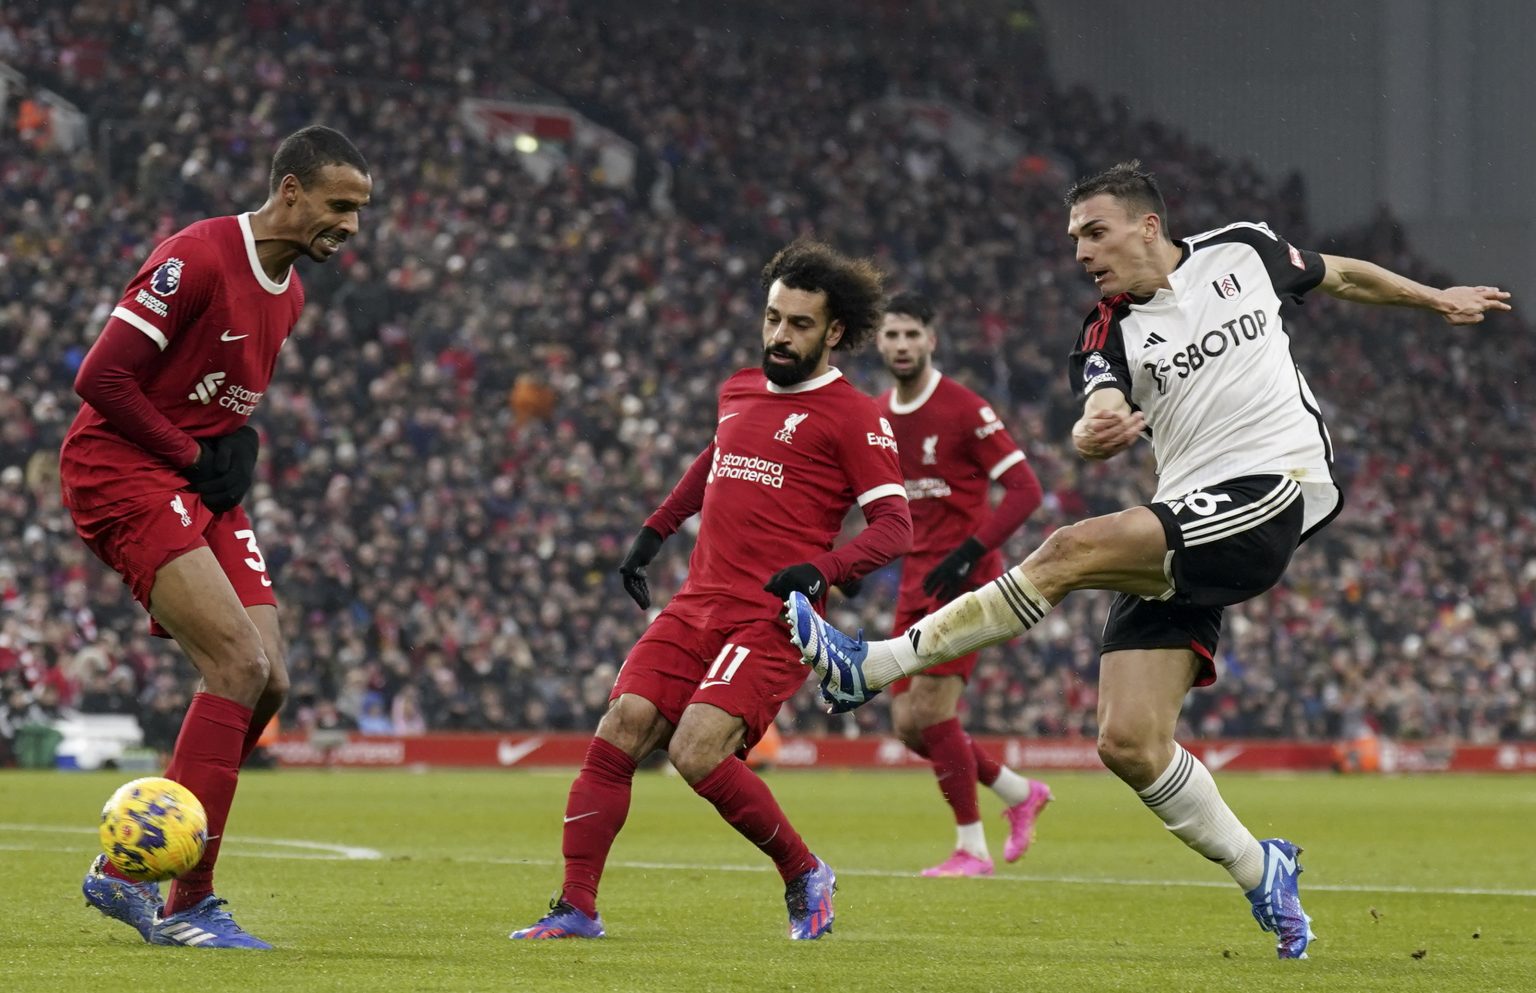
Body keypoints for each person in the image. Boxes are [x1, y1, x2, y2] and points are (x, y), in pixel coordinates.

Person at [788, 160, 1512, 959]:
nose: (1081, 252)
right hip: (1188, 519)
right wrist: (1092, 431)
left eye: (1094, 233)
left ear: (1147, 226)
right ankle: (1260, 866)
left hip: (1275, 486)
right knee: (1128, 741)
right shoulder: (1106, 330)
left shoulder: (1243, 249)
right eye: (1074, 238)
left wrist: (1434, 297)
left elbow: (1340, 274)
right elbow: (1096, 406)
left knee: (1069, 548)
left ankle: (872, 666)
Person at [510, 238, 911, 941]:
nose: (779, 335)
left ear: (835, 332)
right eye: (773, 318)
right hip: (698, 599)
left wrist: (824, 570)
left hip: (772, 618)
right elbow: (716, 458)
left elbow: (895, 527)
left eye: (799, 324)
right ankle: (577, 906)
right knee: (621, 726)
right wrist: (654, 530)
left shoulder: (854, 415)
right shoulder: (738, 389)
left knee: (696, 750)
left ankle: (805, 871)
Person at [66, 125, 371, 949]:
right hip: (121, 470)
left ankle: (138, 872)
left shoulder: (291, 295)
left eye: (360, 210)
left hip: (191, 480)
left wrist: (237, 444)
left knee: (268, 682)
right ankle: (181, 897)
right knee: (235, 664)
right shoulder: (196, 257)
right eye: (340, 204)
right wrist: (194, 453)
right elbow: (100, 377)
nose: (351, 225)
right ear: (291, 190)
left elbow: (213, 396)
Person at [874, 291, 1053, 877]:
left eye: (912, 334)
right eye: (892, 334)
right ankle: (1020, 792)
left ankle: (971, 849)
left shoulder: (964, 408)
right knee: (908, 725)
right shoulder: (876, 416)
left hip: (967, 579)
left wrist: (972, 551)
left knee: (930, 710)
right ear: (878, 342)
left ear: (932, 339)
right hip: (916, 580)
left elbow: (1026, 490)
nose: (902, 345)